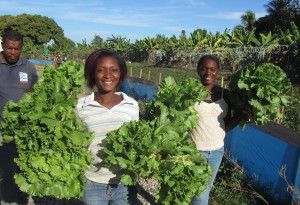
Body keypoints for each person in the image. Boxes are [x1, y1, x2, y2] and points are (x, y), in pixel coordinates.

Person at [76, 49, 139, 205]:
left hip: (124, 182)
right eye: (100, 70)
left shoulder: (131, 105)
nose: (107, 75)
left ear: (121, 74)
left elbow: (137, 141)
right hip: (92, 182)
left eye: (114, 70)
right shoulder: (81, 107)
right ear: (92, 74)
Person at [190, 55, 245, 205]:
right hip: (194, 151)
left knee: (205, 188)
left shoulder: (225, 95)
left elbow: (225, 126)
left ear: (217, 72)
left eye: (212, 69)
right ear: (198, 70)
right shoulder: (188, 93)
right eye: (204, 69)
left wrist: (243, 114)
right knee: (198, 192)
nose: (208, 73)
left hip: (216, 152)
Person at [0, 30, 38, 205]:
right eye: (9, 48)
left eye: (16, 49)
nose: (12, 52)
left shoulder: (29, 67)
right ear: (3, 46)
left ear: (21, 48)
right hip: (3, 130)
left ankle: (21, 196)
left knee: (23, 166)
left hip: (25, 130)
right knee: (7, 170)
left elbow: (36, 92)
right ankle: (9, 200)